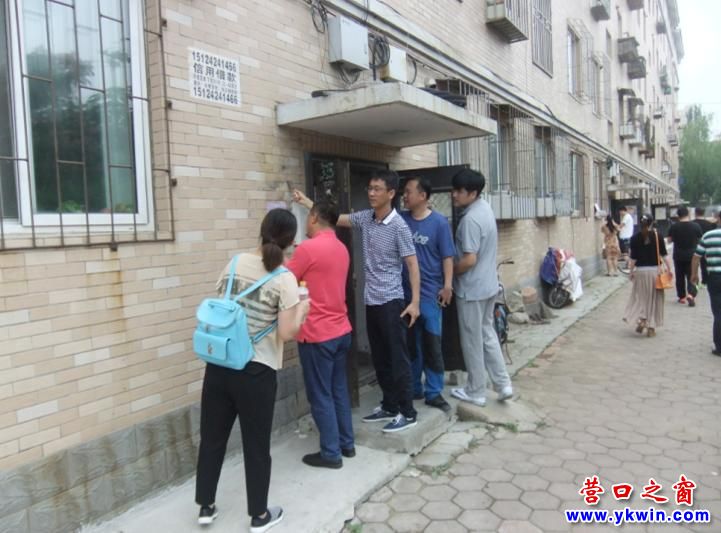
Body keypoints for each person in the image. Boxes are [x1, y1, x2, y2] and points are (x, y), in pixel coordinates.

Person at [195, 209, 310, 531]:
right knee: (256, 445)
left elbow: (223, 305)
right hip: (256, 371)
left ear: (262, 231)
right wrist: (302, 310)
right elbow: (286, 333)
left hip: (219, 364)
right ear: (290, 240)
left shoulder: (234, 263)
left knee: (212, 438)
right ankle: (259, 515)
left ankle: (205, 506)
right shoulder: (284, 278)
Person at [293, 169, 421, 433]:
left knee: (398, 358)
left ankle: (408, 412)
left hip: (392, 301)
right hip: (371, 301)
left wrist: (415, 302)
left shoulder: (399, 226)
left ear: (391, 193)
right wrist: (306, 202)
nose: (371, 193)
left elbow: (412, 264)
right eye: (370, 189)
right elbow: (336, 219)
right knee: (380, 357)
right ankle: (389, 405)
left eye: (377, 189)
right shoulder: (366, 218)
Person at [286, 199, 354, 469]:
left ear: (313, 217)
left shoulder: (307, 248)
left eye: (307, 217)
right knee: (338, 390)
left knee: (320, 394)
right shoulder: (342, 248)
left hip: (317, 333)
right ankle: (346, 444)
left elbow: (285, 279)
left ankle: (330, 453)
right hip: (341, 329)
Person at [450, 169, 513, 407]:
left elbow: (469, 260)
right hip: (488, 286)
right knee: (488, 334)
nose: (454, 195)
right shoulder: (485, 208)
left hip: (472, 289)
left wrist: (449, 272)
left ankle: (476, 391)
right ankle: (503, 384)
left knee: (472, 340)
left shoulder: (470, 220)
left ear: (473, 193)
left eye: (459, 191)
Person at [400, 177, 455, 413]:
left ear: (423, 196)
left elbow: (447, 257)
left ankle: (434, 392)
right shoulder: (401, 220)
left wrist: (447, 285)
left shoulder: (439, 223)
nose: (404, 196)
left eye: (408, 192)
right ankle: (414, 388)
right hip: (406, 296)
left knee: (432, 344)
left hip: (430, 295)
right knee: (411, 346)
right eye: (404, 192)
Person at [623, 214, 672, 337]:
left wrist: (631, 271)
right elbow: (664, 255)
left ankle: (642, 319)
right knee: (655, 299)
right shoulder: (658, 236)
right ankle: (651, 327)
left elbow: (633, 259)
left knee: (641, 298)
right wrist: (670, 269)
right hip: (655, 272)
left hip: (640, 272)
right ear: (652, 223)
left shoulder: (634, 238)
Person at [691, 210, 721, 355]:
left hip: (714, 278)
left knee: (718, 312)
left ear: (718, 219)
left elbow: (696, 257)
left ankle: (719, 347)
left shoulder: (708, 236)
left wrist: (694, 274)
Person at [666, 206, 702, 307]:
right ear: (688, 214)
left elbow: (669, 240)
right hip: (692, 256)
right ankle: (691, 294)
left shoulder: (674, 227)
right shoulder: (695, 226)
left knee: (679, 276)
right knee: (692, 275)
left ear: (678, 216)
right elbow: (700, 239)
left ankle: (682, 297)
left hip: (678, 255)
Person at [694, 206, 717, 286]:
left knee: (694, 263)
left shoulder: (692, 224)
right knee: (704, 264)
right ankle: (705, 281)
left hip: (694, 246)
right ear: (704, 213)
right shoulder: (709, 224)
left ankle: (694, 280)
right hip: (707, 247)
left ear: (695, 213)